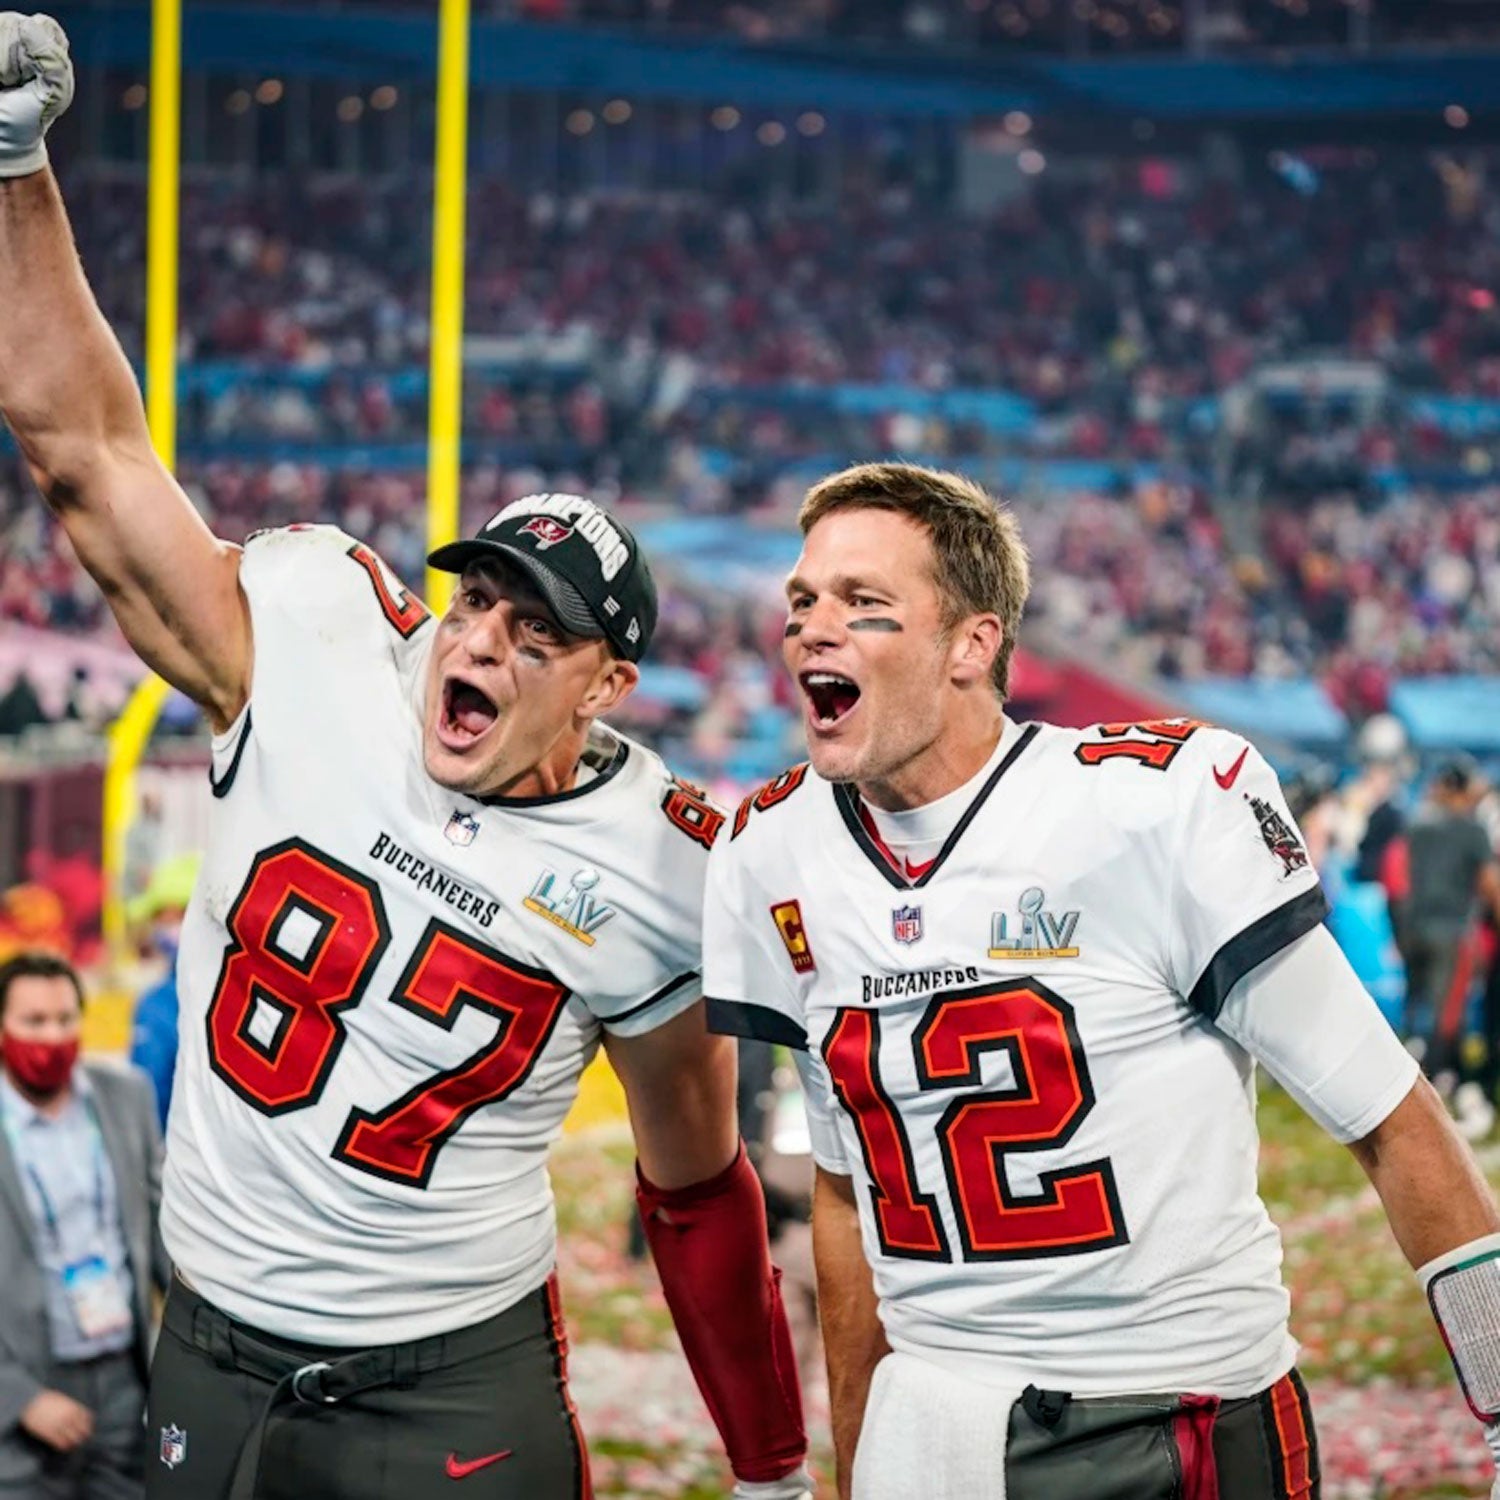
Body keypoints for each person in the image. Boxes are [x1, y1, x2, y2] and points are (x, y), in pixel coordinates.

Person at [0, 22, 807, 1500]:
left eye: (535, 633)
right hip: (212, 1340)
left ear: (607, 687)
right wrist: (12, 169)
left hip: (451, 1378)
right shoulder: (314, 643)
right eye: (477, 600)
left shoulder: (656, 860)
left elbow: (694, 1187)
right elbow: (86, 457)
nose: (481, 644)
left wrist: (765, 1466)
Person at [702, 460, 1500, 1500]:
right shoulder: (773, 849)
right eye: (804, 600)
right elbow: (852, 1192)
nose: (812, 626)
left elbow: (1390, 1116)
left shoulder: (1153, 807)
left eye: (865, 604)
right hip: (932, 1423)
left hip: (1177, 1415)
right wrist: (856, 1459)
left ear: (971, 644)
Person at [0, 951, 168, 1500]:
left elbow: (162, 1229)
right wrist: (18, 1396)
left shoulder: (125, 1097)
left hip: (124, 1375)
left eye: (66, 1018)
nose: (53, 1036)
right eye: (34, 1021)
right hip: (26, 1384)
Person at [1404, 758, 1500, 1091]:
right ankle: (1438, 1077)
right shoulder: (1473, 829)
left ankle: (1420, 1066)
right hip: (1453, 928)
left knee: (1420, 1002)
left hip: (1415, 927)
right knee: (1449, 1010)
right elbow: (1490, 883)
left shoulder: (1418, 824)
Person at [125, 855, 201, 1133]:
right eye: (160, 919)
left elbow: (146, 1097)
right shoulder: (158, 1000)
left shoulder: (157, 1005)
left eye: (176, 915)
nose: (165, 928)